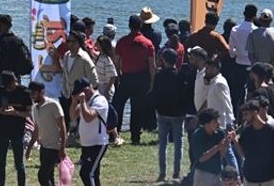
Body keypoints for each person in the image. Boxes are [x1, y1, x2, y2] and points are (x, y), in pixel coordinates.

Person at [113, 13, 156, 145]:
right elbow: (152, 66)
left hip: (125, 78)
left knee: (117, 106)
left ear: (129, 25)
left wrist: (117, 78)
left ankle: (115, 132)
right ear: (141, 26)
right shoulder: (147, 43)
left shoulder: (121, 42)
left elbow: (116, 62)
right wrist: (152, 82)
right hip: (141, 78)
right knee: (137, 109)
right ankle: (135, 137)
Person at [151, 49, 188, 182]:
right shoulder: (180, 75)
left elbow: (154, 93)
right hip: (178, 113)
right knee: (178, 143)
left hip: (162, 112)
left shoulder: (159, 75)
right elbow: (185, 95)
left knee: (163, 144)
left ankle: (162, 172)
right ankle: (176, 172)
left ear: (164, 60)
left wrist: (156, 108)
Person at [0, 71, 31, 186]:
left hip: (18, 132)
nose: (16, 83)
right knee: (0, 163)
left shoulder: (24, 92)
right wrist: (1, 111)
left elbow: (28, 113)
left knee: (19, 164)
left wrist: (15, 112)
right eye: (13, 82)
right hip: (2, 131)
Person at [232, 99, 274, 186]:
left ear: (255, 112)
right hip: (250, 178)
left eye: (246, 114)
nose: (244, 118)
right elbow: (243, 154)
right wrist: (235, 140)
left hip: (269, 178)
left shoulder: (270, 131)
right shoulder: (246, 132)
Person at [71, 79, 109, 186]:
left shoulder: (100, 100)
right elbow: (73, 116)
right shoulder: (85, 101)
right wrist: (74, 101)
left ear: (87, 89)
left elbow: (88, 117)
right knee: (93, 173)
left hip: (98, 143)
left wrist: (82, 101)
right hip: (86, 143)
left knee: (86, 173)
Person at [26, 82, 64, 186]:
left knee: (42, 175)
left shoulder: (53, 105)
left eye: (34, 93)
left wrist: (62, 147)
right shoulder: (35, 108)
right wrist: (29, 148)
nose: (31, 95)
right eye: (30, 93)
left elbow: (63, 127)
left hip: (54, 147)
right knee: (49, 176)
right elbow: (36, 129)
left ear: (42, 92)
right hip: (44, 147)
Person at [190, 108, 231, 186]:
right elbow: (201, 158)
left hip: (218, 172)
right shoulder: (197, 136)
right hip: (203, 174)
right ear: (206, 123)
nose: (218, 123)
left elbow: (221, 155)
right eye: (215, 121)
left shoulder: (220, 133)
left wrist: (226, 144)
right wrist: (218, 147)